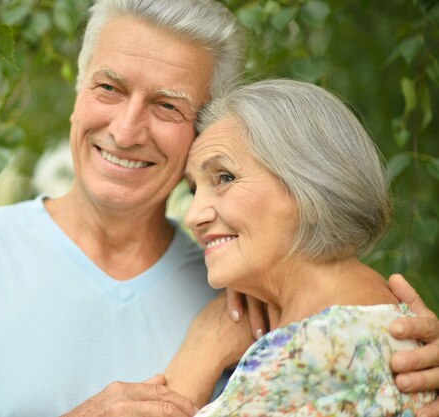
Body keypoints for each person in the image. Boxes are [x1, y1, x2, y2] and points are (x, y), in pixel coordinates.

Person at [0, 1, 439, 416]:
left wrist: (411, 362)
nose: (127, 129)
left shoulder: (244, 289)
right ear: (77, 96)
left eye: (166, 104)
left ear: (203, 132)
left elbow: (349, 364)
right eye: (109, 88)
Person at [167, 78, 437, 415]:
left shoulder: (309, 353)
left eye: (224, 177)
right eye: (194, 190)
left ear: (309, 181)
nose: (193, 216)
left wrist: (200, 354)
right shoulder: (373, 323)